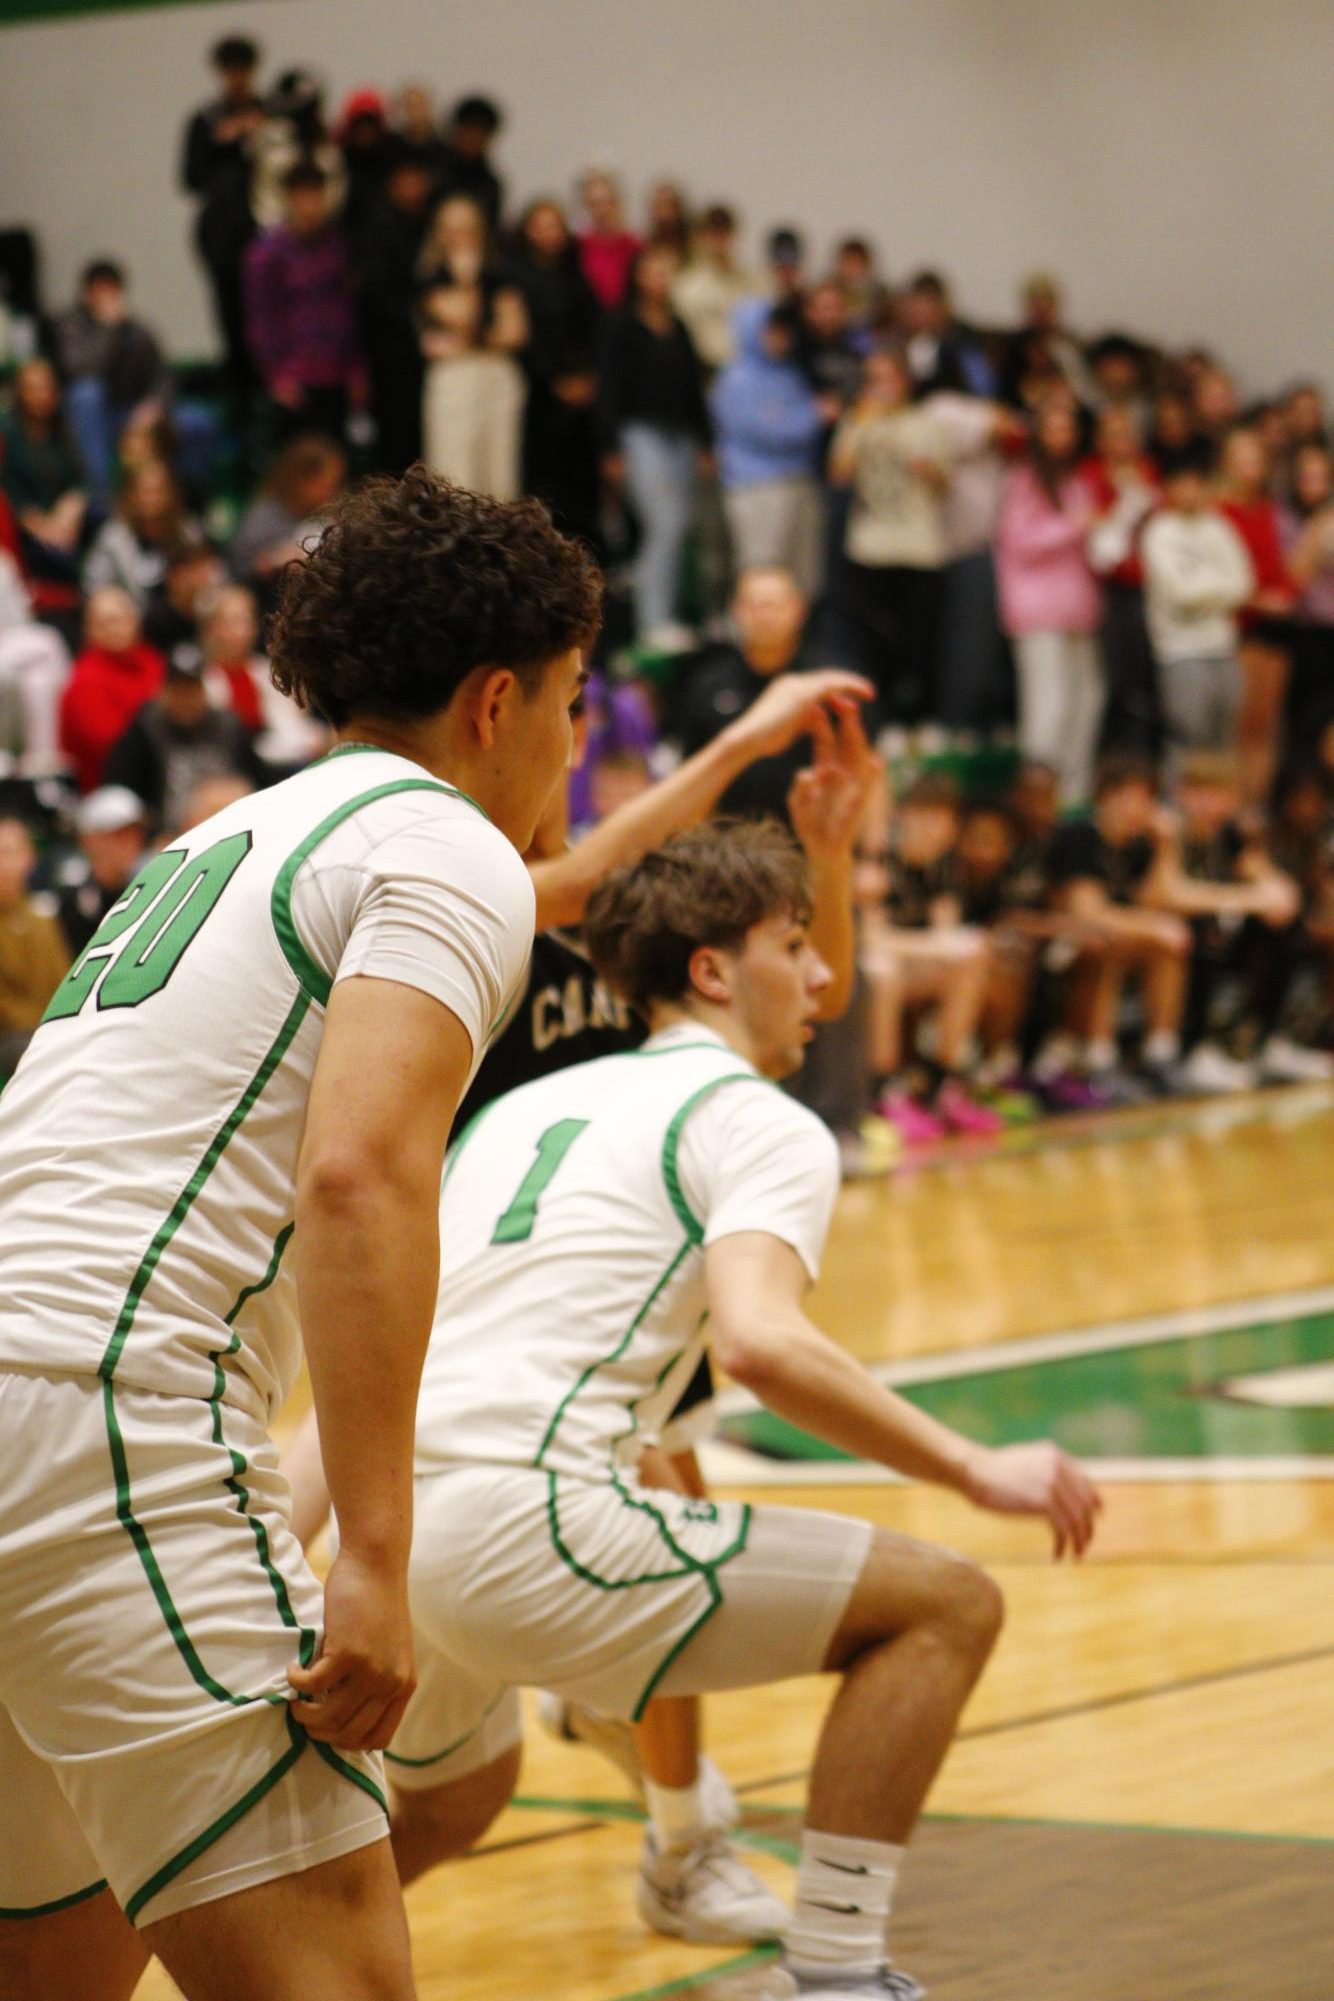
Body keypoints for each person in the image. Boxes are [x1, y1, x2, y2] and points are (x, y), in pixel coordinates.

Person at [0, 470, 600, 2001]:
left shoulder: (227, 839)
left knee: (61, 1955)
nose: (573, 748)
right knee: (334, 1970)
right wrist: (376, 1560)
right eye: (573, 702)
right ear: (493, 698)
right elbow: (358, 1179)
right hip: (106, 1426)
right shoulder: (447, 845)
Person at [346, 819, 1099, 2001]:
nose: (820, 978)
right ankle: (839, 1973)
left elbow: (391, 1349)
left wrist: (322, 1552)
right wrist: (968, 1468)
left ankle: (257, 1968)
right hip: (525, 1528)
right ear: (711, 968)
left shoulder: (523, 1114)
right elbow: (759, 1340)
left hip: (398, 1530)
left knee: (451, 1801)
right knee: (945, 1606)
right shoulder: (753, 1119)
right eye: (792, 946)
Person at [1139, 751, 1321, 1091]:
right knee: (1202, 928)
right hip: (1159, 933)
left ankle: (1263, 1040)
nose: (1212, 804)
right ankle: (1182, 1050)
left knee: (1283, 927)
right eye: (1202, 792)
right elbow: (1164, 895)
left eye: (1222, 794)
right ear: (1180, 793)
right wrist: (1243, 898)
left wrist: (1270, 889)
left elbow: (1276, 888)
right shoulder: (1168, 830)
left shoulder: (1231, 834)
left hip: (1208, 931)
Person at [858, 773, 1005, 1140]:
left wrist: (955, 947)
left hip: (911, 966)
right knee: (884, 970)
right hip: (864, 968)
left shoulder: (943, 866)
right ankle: (884, 1093)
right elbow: (871, 939)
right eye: (925, 816)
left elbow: (947, 933)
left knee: (969, 961)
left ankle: (945, 1084)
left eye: (944, 820)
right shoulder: (878, 860)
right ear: (901, 816)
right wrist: (939, 946)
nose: (934, 829)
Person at [671, 567, 874, 821]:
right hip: (729, 843)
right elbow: (690, 775)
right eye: (753, 605)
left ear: (799, 610)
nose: (763, 615)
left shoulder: (830, 684)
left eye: (773, 605)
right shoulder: (708, 682)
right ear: (735, 611)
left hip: (813, 839)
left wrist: (871, 853)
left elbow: (868, 767)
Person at [1047, 755, 1191, 1098]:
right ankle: (1098, 1059)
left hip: (1116, 936)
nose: (1135, 809)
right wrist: (1152, 927)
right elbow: (1086, 912)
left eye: (1145, 799)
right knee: (1111, 940)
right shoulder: (1078, 835)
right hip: (1058, 943)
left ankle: (1160, 1052)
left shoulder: (1143, 843)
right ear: (1103, 796)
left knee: (1166, 947)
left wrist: (1167, 847)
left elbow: (1160, 900)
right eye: (1127, 797)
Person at [828, 347, 952, 722]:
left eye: (887, 377)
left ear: (905, 381)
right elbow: (838, 474)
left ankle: (919, 720)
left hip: (918, 548)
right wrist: (860, 423)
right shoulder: (859, 422)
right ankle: (878, 720)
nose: (880, 386)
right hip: (870, 546)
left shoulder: (927, 423)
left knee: (919, 644)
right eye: (873, 378)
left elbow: (945, 484)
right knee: (871, 643)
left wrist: (926, 469)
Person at [599, 246, 713, 648]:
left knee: (682, 524)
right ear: (637, 277)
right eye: (653, 271)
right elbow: (610, 388)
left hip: (680, 435)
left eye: (667, 272)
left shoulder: (678, 326)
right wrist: (610, 447)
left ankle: (671, 614)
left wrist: (705, 442)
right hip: (639, 434)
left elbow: (693, 388)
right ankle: (653, 622)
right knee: (663, 523)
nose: (660, 279)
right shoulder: (622, 325)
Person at [995, 395, 1104, 802]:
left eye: (1069, 427)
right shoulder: (1022, 479)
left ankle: (1073, 796)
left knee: (1088, 701)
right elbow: (1018, 540)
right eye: (1054, 426)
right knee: (1049, 706)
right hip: (1038, 610)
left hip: (1080, 608)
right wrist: (1074, 526)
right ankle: (1039, 798)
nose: (1063, 435)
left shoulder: (1078, 480)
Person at [1140, 441, 1253, 768]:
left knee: (1223, 742)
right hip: (1180, 651)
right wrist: (1218, 590)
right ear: (1170, 487)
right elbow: (1180, 595)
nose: (1190, 490)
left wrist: (1204, 590)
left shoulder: (1218, 527)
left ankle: (1218, 812)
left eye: (1196, 481)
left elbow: (1243, 585)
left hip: (1222, 647)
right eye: (1182, 482)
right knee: (1187, 741)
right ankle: (1180, 812)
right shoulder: (1159, 532)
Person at [711, 301, 827, 600]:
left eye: (783, 330)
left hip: (799, 480)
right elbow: (761, 430)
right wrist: (812, 418)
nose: (781, 337)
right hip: (756, 486)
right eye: (772, 330)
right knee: (761, 571)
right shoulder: (735, 379)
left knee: (802, 576)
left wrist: (804, 419)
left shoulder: (790, 374)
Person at [244, 162, 367, 443]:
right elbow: (262, 317)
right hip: (296, 375)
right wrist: (277, 374)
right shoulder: (266, 254)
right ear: (288, 198)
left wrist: (356, 368)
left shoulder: (338, 246)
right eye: (302, 196)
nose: (310, 205)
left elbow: (349, 310)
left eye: (316, 195)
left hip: (336, 372)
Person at [418, 196, 529, 500]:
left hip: (497, 378)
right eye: (451, 230)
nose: (459, 238)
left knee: (499, 477)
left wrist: (469, 342)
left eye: (466, 230)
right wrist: (466, 282)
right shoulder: (433, 276)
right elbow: (462, 316)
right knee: (455, 475)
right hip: (455, 380)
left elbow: (515, 332)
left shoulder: (500, 275)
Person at [52, 261, 185, 508]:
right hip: (91, 419)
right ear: (86, 294)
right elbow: (80, 370)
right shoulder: (70, 326)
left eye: (112, 290)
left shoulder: (137, 330)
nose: (107, 297)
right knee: (86, 394)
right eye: (100, 291)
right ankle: (102, 495)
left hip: (131, 413)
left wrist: (153, 405)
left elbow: (163, 376)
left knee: (198, 423)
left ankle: (186, 500)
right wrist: (108, 329)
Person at [179, 34, 264, 413]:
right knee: (233, 329)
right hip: (223, 242)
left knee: (268, 329)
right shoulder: (206, 120)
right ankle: (242, 415)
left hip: (266, 239)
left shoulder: (267, 113)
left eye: (242, 69)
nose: (237, 78)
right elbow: (190, 178)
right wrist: (223, 140)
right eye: (230, 70)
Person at [510, 199, 602, 543]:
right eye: (541, 225)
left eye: (556, 225)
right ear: (527, 230)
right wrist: (553, 381)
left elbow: (595, 332)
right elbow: (521, 340)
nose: (550, 234)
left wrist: (588, 379)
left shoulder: (577, 278)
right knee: (540, 492)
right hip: (536, 396)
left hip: (580, 400)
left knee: (579, 497)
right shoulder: (514, 275)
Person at [1216, 426, 1299, 804]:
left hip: (1276, 623)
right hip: (1239, 622)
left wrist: (1286, 595)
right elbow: (1219, 573)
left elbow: (1285, 566)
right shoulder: (1218, 510)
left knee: (1267, 726)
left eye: (1255, 457)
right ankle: (1233, 807)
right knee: (1241, 724)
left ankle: (1256, 808)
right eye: (1242, 456)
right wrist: (1255, 600)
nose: (1250, 465)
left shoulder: (1272, 510)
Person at [103, 652, 265, 838]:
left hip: (232, 834)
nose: (186, 699)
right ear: (163, 691)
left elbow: (259, 782)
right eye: (179, 689)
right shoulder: (143, 732)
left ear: (204, 691)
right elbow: (119, 798)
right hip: (165, 840)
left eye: (192, 689)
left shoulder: (229, 727)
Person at [351, 140, 437, 472]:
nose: (412, 186)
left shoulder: (431, 223)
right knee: (395, 442)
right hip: (389, 353)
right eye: (405, 178)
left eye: (418, 177)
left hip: (426, 353)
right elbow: (377, 293)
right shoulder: (375, 228)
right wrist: (421, 321)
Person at [1084, 402, 1161, 757]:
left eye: (1127, 435)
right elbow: (1101, 547)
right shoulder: (1091, 475)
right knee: (1115, 681)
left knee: (1148, 682)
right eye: (1113, 436)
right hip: (1106, 592)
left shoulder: (1148, 473)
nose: (1121, 443)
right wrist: (1127, 503)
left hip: (1150, 589)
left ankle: (1142, 756)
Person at [59, 587, 166, 793]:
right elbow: (115, 752)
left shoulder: (153, 661)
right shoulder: (85, 681)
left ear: (136, 621)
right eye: (104, 623)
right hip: (110, 791)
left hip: (161, 774)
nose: (113, 629)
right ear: (88, 630)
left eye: (120, 619)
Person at [228, 433, 346, 597]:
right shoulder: (263, 519)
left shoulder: (320, 516)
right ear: (302, 480)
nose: (331, 492)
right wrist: (273, 562)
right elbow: (239, 572)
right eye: (325, 484)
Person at [0, 814, 70, 1076]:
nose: (5, 864)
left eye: (12, 853)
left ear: (29, 859)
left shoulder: (42, 919)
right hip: (13, 1037)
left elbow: (64, 980)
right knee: (30, 1051)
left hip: (47, 1029)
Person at [52, 783, 150, 957]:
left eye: (136, 833)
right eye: (120, 835)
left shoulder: (151, 892)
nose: (132, 843)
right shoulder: (70, 900)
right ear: (89, 840)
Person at [83, 460, 195, 611]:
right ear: (131, 496)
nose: (152, 500)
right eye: (145, 492)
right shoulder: (113, 539)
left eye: (158, 491)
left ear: (171, 494)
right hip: (131, 624)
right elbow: (93, 589)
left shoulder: (189, 533)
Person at [671, 204, 757, 375]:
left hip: (743, 370)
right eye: (713, 232)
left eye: (724, 232)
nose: (719, 240)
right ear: (701, 236)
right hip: (702, 370)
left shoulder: (750, 281)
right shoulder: (686, 284)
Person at [435, 95, 506, 232]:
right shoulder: (434, 173)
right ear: (457, 131)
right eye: (469, 131)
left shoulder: (491, 186)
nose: (473, 138)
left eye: (481, 133)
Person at [576, 169, 642, 311]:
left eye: (606, 202)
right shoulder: (579, 246)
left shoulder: (633, 244)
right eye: (594, 203)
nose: (601, 210)